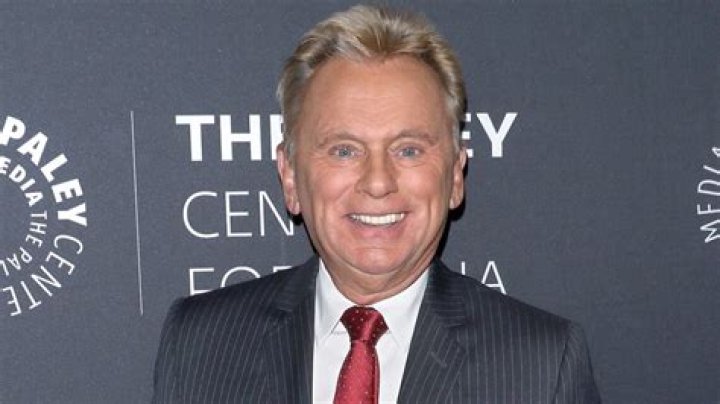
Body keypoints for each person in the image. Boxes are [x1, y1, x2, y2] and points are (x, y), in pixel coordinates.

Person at [152, 4, 600, 403]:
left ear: (455, 175)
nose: (378, 182)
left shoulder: (542, 367)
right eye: (344, 150)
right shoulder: (199, 344)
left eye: (408, 150)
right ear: (289, 176)